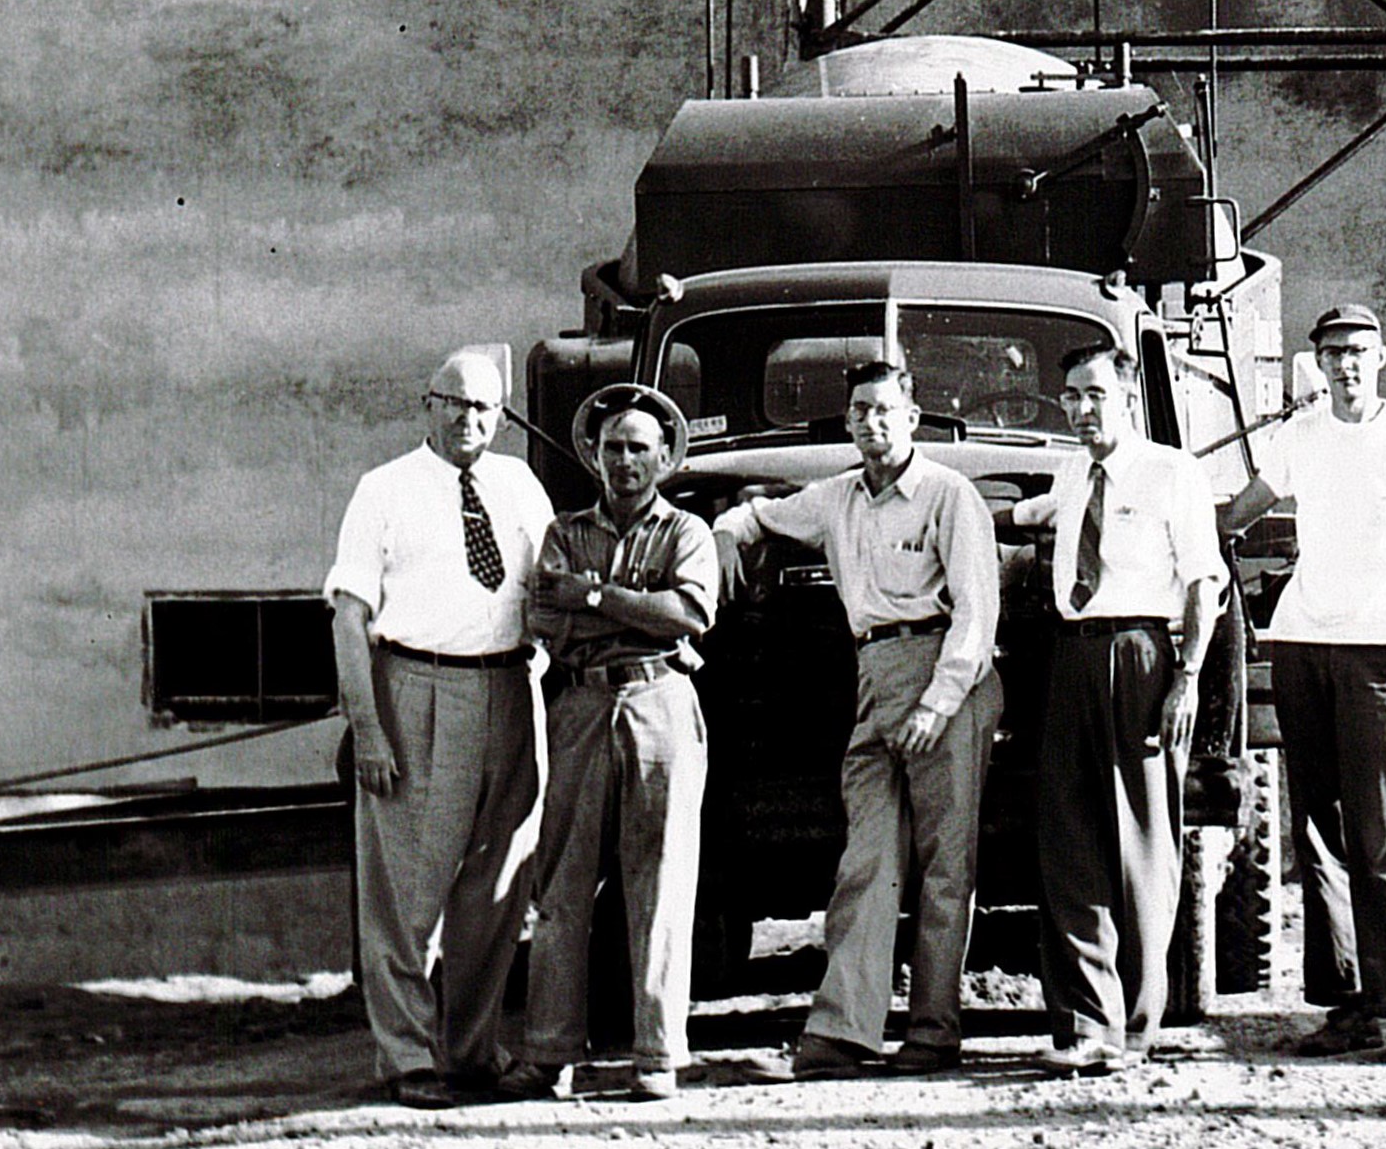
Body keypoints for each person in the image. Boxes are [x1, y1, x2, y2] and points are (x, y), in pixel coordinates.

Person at [713, 348, 1002, 1075]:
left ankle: (933, 1031)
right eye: (859, 412)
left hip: (947, 674)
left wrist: (939, 702)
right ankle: (843, 1032)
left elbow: (975, 611)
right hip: (873, 674)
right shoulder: (835, 496)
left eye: (884, 410)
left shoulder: (948, 495)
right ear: (848, 422)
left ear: (912, 417)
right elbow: (757, 516)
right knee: (866, 859)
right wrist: (722, 535)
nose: (871, 423)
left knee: (944, 865)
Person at [1233, 298, 1386, 1060]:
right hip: (1302, 647)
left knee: (1385, 837)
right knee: (1319, 836)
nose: (1345, 363)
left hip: (1383, 656)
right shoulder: (1295, 436)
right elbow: (1232, 514)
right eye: (1332, 350)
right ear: (1317, 361)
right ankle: (1350, 1006)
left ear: (1379, 359)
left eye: (1358, 350)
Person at [325, 344, 558, 1109]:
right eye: (456, 403)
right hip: (416, 688)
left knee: (496, 885)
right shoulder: (384, 488)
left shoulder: (520, 482)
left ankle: (470, 1051)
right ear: (428, 404)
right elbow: (350, 615)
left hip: (511, 689)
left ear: (502, 414)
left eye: (486, 407)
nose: (470, 419)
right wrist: (369, 724)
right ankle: (409, 1058)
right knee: (406, 892)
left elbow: (549, 584)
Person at [520, 385, 725, 1103]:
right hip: (581, 702)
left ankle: (657, 1053)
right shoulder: (564, 531)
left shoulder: (687, 532)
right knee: (563, 879)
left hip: (659, 700)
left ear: (665, 456)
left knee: (661, 878)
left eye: (640, 447)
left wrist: (599, 597)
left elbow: (688, 613)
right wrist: (617, 610)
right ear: (594, 456)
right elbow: (549, 615)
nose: (626, 460)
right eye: (613, 447)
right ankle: (549, 1052)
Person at [1028, 338, 1226, 1073]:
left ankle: (1136, 1026)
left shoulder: (1172, 471)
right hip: (1073, 653)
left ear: (1129, 397)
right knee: (1069, 836)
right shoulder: (1073, 468)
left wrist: (1187, 676)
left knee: (1141, 838)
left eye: (1095, 395)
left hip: (1142, 655)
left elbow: (1204, 584)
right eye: (1072, 396)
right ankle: (1085, 1023)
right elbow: (1044, 519)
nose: (1082, 410)